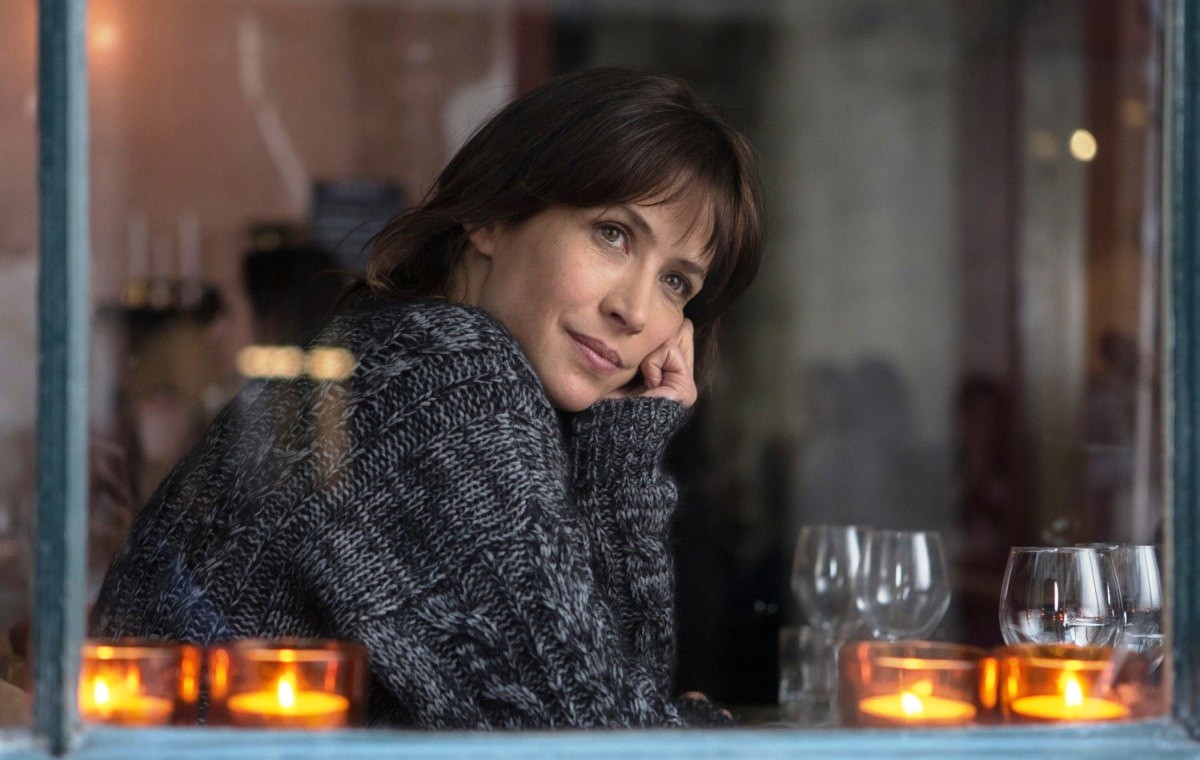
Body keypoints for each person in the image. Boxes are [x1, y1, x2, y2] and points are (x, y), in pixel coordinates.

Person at [90, 67, 764, 729]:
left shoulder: (412, 354)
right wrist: (699, 726)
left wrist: (619, 453)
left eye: (676, 283)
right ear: (492, 216)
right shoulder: (440, 378)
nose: (635, 311)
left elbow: (610, 704)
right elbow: (591, 740)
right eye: (613, 233)